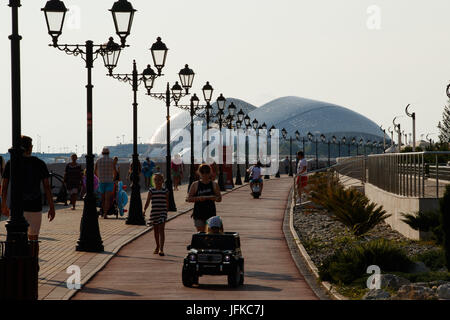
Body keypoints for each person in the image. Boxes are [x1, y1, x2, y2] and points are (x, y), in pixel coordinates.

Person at [1, 136, 56, 251]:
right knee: (33, 238)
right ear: (30, 148)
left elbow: (4, 186)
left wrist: (4, 205)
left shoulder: (11, 163)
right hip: (34, 205)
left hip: (16, 206)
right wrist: (51, 206)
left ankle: (20, 265)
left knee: (16, 237)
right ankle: (33, 263)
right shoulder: (39, 163)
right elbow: (46, 186)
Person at [186, 164, 222, 232]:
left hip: (210, 213)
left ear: (210, 173)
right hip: (198, 213)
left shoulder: (214, 184)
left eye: (207, 172)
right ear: (199, 172)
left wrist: (213, 198)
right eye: (202, 172)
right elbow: (189, 198)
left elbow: (219, 199)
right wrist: (199, 198)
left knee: (210, 233)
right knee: (201, 233)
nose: (205, 174)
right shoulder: (195, 184)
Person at [143, 173, 168, 256]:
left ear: (162, 181)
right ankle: (157, 246)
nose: (157, 181)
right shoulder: (151, 191)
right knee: (156, 231)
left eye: (159, 179)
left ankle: (161, 249)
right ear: (154, 181)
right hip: (154, 213)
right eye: (156, 180)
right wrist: (144, 210)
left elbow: (167, 202)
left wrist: (166, 211)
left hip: (162, 213)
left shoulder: (165, 191)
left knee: (161, 230)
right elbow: (148, 201)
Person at [95, 147, 115, 218]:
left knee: (102, 199)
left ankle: (103, 211)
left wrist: (99, 177)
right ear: (108, 153)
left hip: (101, 181)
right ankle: (105, 214)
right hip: (109, 181)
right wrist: (114, 177)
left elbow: (95, 171)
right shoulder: (112, 160)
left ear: (102, 153)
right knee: (107, 199)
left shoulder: (98, 160)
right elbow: (115, 171)